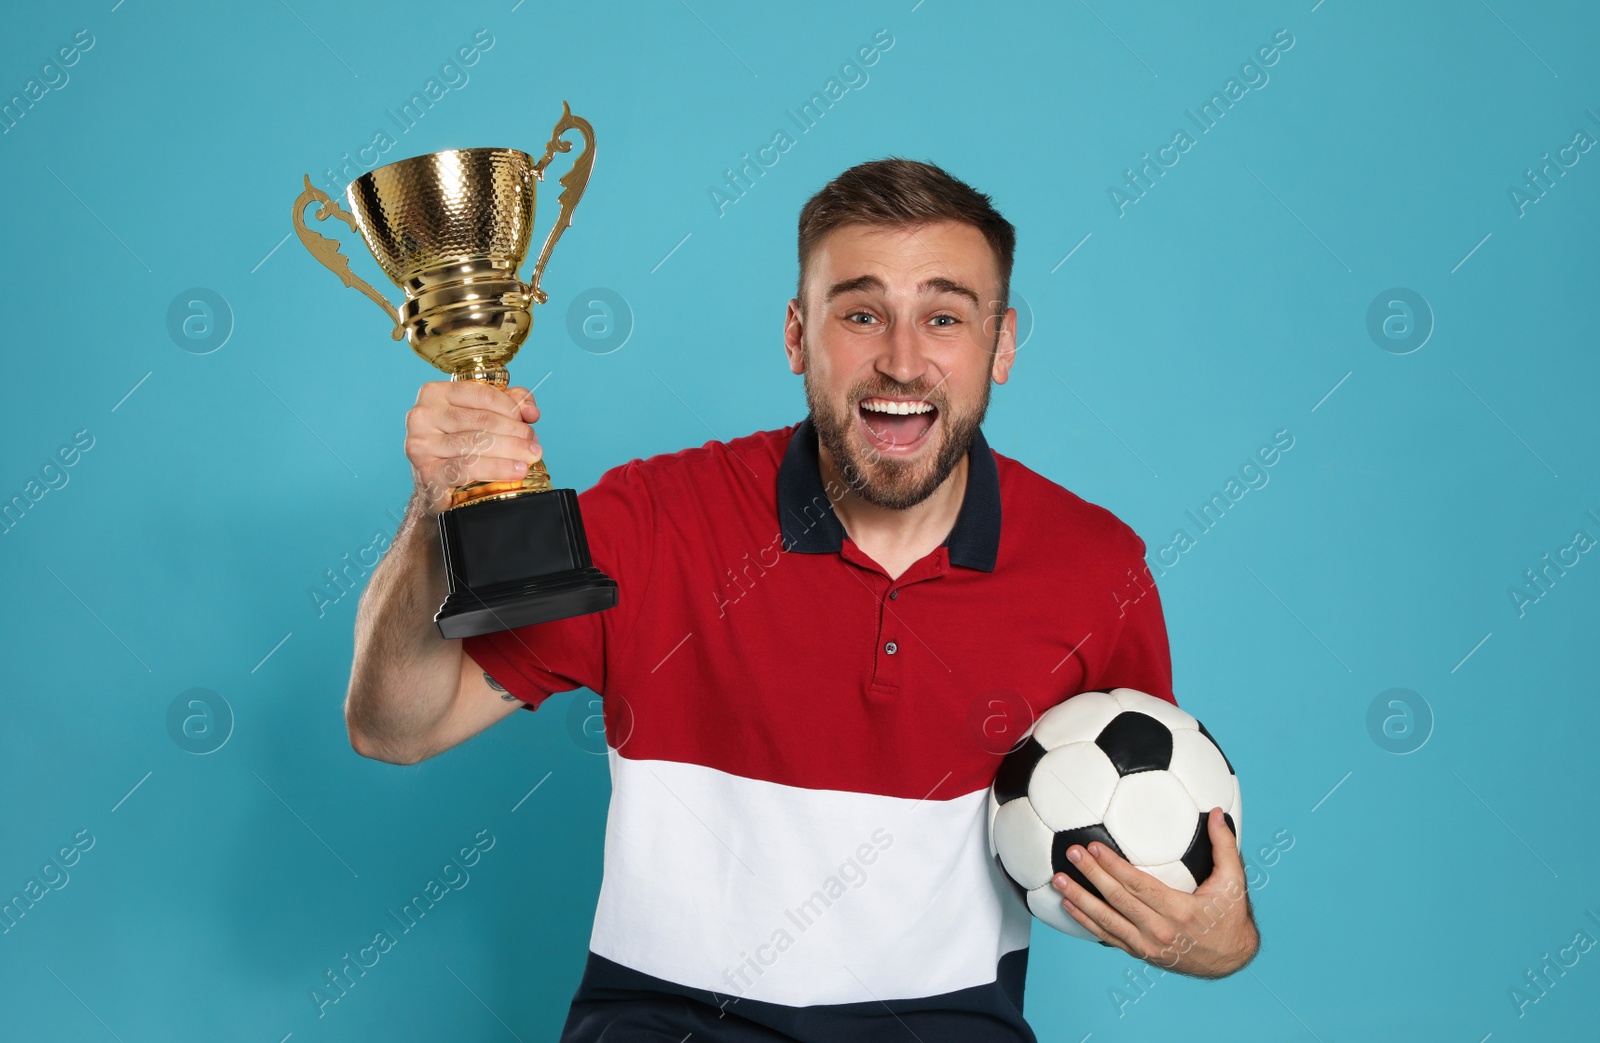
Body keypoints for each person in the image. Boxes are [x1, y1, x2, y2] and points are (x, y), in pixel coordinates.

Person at [345, 158, 1259, 1041]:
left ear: (1002, 344)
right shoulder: (654, 518)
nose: (902, 361)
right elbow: (395, 727)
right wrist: (435, 506)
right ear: (796, 336)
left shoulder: (1095, 566)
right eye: (861, 312)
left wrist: (1222, 943)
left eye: (944, 317)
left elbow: (1166, 843)